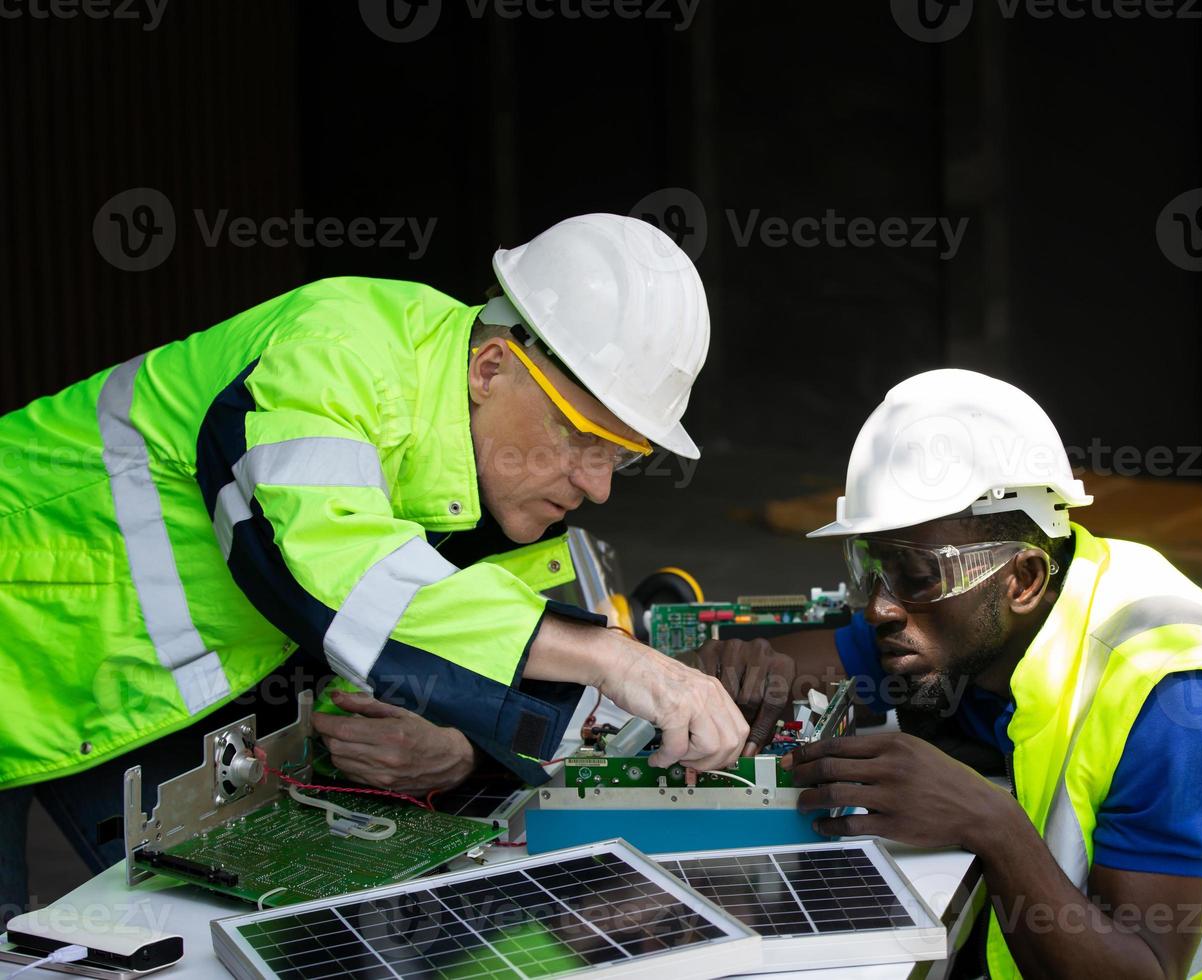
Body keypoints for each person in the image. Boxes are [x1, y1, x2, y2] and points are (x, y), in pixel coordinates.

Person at [0, 213, 747, 926]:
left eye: (620, 455)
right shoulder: (337, 351)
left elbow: (440, 637)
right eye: (584, 439)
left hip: (124, 681)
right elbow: (333, 568)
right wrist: (608, 654)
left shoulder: (484, 462)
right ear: (492, 367)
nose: (599, 486)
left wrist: (459, 749)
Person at [697, 369, 1202, 978]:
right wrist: (727, 674)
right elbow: (813, 662)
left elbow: (1142, 971)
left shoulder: (1177, 704)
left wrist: (989, 824)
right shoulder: (977, 621)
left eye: (914, 574)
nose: (882, 606)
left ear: (1020, 578)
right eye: (868, 566)